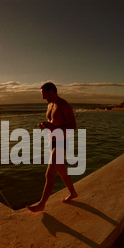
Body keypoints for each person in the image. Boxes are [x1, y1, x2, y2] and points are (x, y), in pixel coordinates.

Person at [26, 82, 78, 213]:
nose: (43, 98)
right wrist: (45, 126)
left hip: (62, 141)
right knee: (62, 171)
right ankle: (73, 193)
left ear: (52, 92)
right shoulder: (50, 105)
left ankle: (42, 204)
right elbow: (53, 123)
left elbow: (73, 127)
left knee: (50, 173)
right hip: (52, 142)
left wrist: (54, 128)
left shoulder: (63, 105)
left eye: (45, 95)